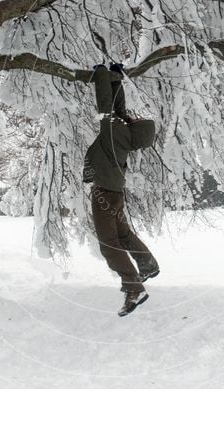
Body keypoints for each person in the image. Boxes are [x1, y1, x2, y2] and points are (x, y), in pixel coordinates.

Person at [83, 63, 159, 316]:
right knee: (122, 233)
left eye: (138, 120)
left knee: (109, 244)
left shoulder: (115, 129)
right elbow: (118, 107)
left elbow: (106, 103)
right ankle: (146, 264)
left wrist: (103, 74)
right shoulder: (121, 132)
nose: (134, 117)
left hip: (104, 193)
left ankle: (133, 287)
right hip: (113, 192)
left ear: (135, 127)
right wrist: (117, 78)